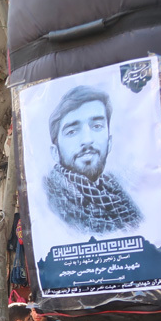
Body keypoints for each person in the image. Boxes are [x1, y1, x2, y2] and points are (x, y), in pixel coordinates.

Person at [43, 85, 142, 234]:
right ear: (55, 152)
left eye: (97, 126)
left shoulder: (124, 202)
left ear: (109, 142)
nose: (87, 139)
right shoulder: (47, 205)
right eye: (72, 131)